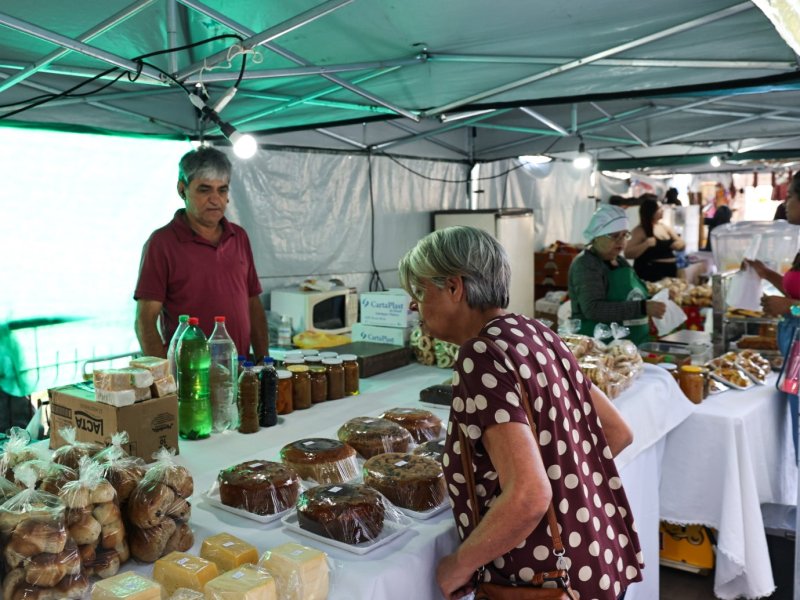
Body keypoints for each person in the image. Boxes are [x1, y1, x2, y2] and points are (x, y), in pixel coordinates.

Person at [399, 226, 643, 600]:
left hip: (542, 581)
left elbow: (529, 495)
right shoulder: (537, 333)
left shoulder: (480, 354)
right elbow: (615, 432)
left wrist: (460, 563)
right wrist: (565, 486)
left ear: (454, 288)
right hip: (594, 565)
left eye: (419, 291)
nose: (414, 305)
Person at [134, 146, 268, 359]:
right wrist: (165, 379)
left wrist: (263, 362)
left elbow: (253, 303)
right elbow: (145, 321)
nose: (215, 199)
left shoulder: (239, 237)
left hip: (239, 369)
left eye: (222, 190)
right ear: (182, 190)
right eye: (204, 190)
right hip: (190, 378)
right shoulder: (162, 243)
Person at [744, 170, 800, 457]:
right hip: (795, 358)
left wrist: (789, 308)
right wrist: (766, 273)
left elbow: (795, 302)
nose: (785, 201)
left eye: (790, 195)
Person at [568, 204, 666, 345]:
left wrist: (653, 301)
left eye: (625, 235)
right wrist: (642, 308)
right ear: (597, 236)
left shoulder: (620, 261)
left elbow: (630, 294)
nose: (621, 241)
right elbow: (593, 309)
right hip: (597, 346)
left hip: (627, 345)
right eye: (614, 236)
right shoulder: (586, 264)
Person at [624, 197, 685, 282]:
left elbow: (681, 242)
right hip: (652, 273)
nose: (662, 210)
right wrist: (645, 244)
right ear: (651, 211)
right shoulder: (640, 230)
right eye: (659, 208)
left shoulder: (664, 227)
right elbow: (628, 253)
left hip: (670, 272)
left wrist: (679, 244)